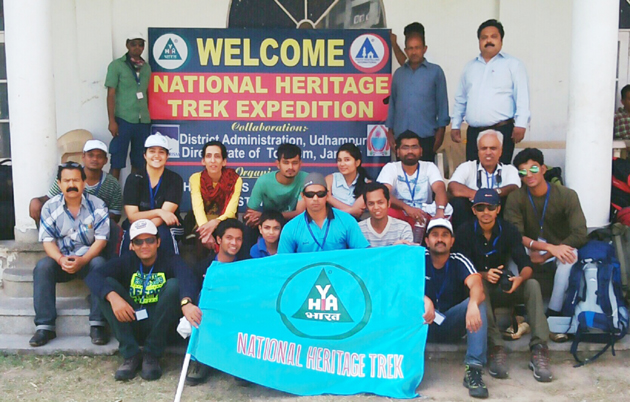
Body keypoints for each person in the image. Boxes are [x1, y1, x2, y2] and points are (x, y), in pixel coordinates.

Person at [454, 189, 553, 383]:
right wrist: (483, 274)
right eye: (480, 208)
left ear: (498, 209)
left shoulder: (508, 230)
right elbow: (458, 267)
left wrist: (519, 279)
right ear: (473, 210)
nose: (486, 212)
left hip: (505, 285)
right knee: (479, 285)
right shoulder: (465, 231)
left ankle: (539, 348)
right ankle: (495, 347)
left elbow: (526, 264)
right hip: (480, 288)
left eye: (490, 207)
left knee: (532, 284)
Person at [85, 219, 200, 381]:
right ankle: (130, 355)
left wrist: (186, 302)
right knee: (106, 286)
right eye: (138, 242)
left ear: (158, 242)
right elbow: (93, 276)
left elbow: (187, 278)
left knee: (174, 286)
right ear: (132, 245)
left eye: (149, 240)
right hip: (132, 319)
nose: (144, 246)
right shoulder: (127, 260)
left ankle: (152, 355)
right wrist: (113, 297)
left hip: (160, 326)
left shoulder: (170, 259)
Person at [505, 148, 588, 342]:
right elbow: (514, 235)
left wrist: (549, 252)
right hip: (530, 247)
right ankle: (519, 315)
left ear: (543, 169)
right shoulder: (516, 197)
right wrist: (544, 248)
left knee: (570, 257)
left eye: (533, 169)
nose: (529, 175)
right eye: (523, 172)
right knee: (511, 257)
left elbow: (580, 233)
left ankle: (553, 314)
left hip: (558, 248)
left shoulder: (566, 195)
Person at [30, 162, 110, 347]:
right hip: (62, 260)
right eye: (66, 181)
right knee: (42, 267)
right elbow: (48, 241)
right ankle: (44, 326)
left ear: (84, 182)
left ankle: (98, 324)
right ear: (59, 183)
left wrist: (84, 259)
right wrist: (60, 259)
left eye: (76, 180)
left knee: (100, 264)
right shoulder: (49, 207)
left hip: (88, 259)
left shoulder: (98, 205)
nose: (71, 184)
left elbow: (101, 240)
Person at [423, 218, 488, 399]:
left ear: (452, 241)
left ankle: (473, 369)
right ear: (427, 240)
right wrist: (422, 299)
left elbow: (476, 285)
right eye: (435, 235)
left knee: (478, 302)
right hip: (422, 324)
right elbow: (399, 285)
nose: (440, 239)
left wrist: (473, 304)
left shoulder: (458, 259)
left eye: (445, 235)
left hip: (450, 323)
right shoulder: (418, 258)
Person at [451, 19, 530, 164]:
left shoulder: (513, 65)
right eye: (484, 37)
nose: (489, 41)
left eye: (493, 37)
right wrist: (455, 124)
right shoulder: (470, 67)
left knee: (500, 173)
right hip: (474, 132)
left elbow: (522, 97)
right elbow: (461, 98)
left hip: (502, 130)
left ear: (501, 40)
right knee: (474, 173)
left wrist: (521, 124)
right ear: (479, 41)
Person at [186, 218, 245, 386]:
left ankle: (241, 362)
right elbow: (192, 291)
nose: (234, 243)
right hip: (209, 318)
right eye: (229, 238)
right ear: (219, 240)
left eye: (238, 239)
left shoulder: (246, 265)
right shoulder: (203, 266)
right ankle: (201, 359)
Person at [386, 22, 449, 162]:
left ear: (424, 49)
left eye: (417, 48)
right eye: (410, 48)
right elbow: (393, 104)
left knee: (426, 174)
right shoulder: (399, 74)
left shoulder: (435, 72)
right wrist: (389, 132)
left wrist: (440, 134)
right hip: (401, 137)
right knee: (403, 174)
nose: (414, 52)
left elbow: (442, 105)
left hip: (426, 136)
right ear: (406, 50)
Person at [29, 140, 123, 225]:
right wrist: (36, 201)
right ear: (83, 157)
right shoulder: (67, 175)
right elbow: (49, 198)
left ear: (105, 160)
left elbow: (116, 214)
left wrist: (93, 218)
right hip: (66, 222)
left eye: (99, 156)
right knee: (38, 208)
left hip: (96, 226)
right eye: (90, 155)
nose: (95, 159)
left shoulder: (112, 183)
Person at [123, 134, 183, 255]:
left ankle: (169, 267)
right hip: (137, 223)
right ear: (145, 155)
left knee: (163, 235)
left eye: (161, 152)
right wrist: (158, 211)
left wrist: (143, 233)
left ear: (167, 156)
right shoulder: (133, 179)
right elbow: (132, 216)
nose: (156, 155)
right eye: (152, 151)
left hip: (165, 224)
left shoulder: (175, 179)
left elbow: (164, 217)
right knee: (129, 237)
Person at [278, 172, 369, 253]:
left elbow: (363, 255)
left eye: (320, 194)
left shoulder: (347, 221)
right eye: (310, 195)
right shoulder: (291, 228)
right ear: (303, 196)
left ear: (327, 195)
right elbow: (283, 262)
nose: (315, 199)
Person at [376, 131, 451, 230]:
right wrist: (407, 208)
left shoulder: (429, 166)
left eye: (414, 147)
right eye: (405, 147)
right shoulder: (391, 167)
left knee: (447, 209)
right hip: (401, 212)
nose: (410, 151)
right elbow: (383, 193)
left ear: (421, 151)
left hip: (424, 212)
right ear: (397, 152)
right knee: (386, 211)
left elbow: (440, 188)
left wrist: (440, 210)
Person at [448, 130, 521, 230]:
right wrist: (478, 195)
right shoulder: (467, 167)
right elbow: (453, 187)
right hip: (472, 215)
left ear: (501, 151)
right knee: (458, 202)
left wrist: (493, 194)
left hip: (499, 214)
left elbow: (514, 188)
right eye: (484, 148)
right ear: (478, 151)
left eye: (493, 148)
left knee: (510, 200)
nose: (488, 152)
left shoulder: (509, 169)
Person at [105, 32, 151, 180]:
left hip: (142, 121)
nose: (137, 47)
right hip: (123, 119)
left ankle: (133, 193)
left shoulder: (146, 67)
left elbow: (146, 93)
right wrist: (112, 121)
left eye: (140, 44)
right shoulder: (116, 66)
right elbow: (111, 94)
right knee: (117, 161)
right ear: (127, 45)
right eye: (133, 44)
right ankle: (113, 194)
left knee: (139, 161)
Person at [188, 140, 242, 248]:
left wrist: (215, 222)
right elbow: (198, 208)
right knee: (198, 242)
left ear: (224, 162)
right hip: (202, 223)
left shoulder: (235, 179)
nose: (213, 160)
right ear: (203, 161)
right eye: (208, 156)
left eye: (217, 156)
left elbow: (231, 212)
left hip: (226, 222)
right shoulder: (196, 178)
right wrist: (205, 232)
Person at [244, 143, 307, 227]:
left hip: (294, 223)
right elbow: (249, 213)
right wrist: (253, 218)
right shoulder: (263, 181)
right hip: (269, 223)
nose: (290, 167)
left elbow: (300, 213)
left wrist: (264, 216)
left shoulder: (306, 179)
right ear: (278, 164)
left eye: (294, 163)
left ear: (300, 164)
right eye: (286, 163)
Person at [359, 182, 414, 247]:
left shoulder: (403, 228)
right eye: (371, 204)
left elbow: (408, 252)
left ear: (388, 203)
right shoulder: (358, 229)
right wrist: (395, 249)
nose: (376, 207)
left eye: (380, 202)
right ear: (366, 206)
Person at [324, 143, 370, 218]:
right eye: (339, 160)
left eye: (347, 160)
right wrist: (351, 210)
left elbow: (356, 212)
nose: (342, 164)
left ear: (357, 162)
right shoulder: (330, 179)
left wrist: (330, 198)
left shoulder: (367, 184)